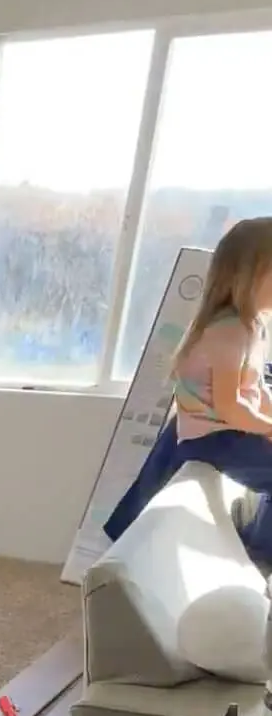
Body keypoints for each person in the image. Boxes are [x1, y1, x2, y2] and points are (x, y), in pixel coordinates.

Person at [104, 218, 272, 564]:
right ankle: (260, 554)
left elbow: (255, 387)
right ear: (247, 276)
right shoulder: (229, 331)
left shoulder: (255, 326)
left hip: (229, 429)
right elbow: (229, 405)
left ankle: (256, 542)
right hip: (216, 436)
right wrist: (268, 428)